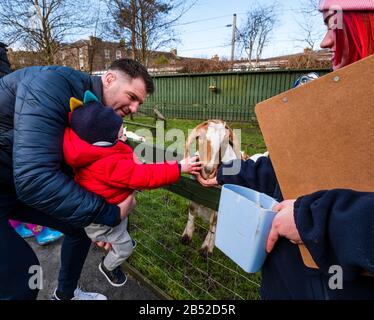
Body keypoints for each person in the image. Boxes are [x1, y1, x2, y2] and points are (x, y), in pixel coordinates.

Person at [196, 0, 374, 299]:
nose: (325, 41)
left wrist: (309, 219)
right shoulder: (348, 107)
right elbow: (289, 166)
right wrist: (227, 171)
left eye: (334, 24)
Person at [0, 58, 155, 300]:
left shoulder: (92, 114)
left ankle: (65, 294)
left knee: (79, 226)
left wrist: (99, 225)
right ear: (110, 79)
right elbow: (35, 178)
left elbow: (72, 161)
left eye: (139, 103)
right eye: (132, 97)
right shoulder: (50, 85)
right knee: (21, 277)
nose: (135, 109)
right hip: (16, 182)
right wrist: (109, 214)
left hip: (12, 182)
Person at [63, 91, 201, 287]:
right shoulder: (109, 163)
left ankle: (120, 241)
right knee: (125, 248)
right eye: (119, 129)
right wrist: (179, 167)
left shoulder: (91, 150)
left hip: (105, 211)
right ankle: (109, 266)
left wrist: (121, 140)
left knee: (121, 230)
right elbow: (145, 176)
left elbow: (119, 151)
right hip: (102, 223)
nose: (123, 130)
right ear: (105, 136)